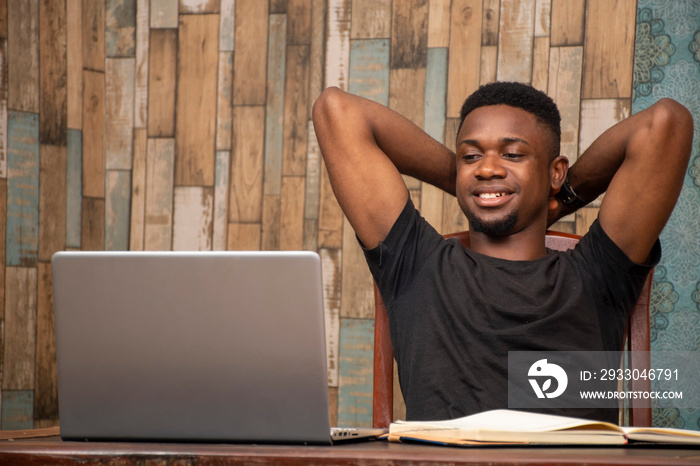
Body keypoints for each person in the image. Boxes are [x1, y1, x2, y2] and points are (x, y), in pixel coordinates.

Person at [312, 82, 693, 423]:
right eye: (472, 156)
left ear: (555, 171)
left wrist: (558, 195)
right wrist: (475, 184)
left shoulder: (596, 275)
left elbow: (665, 124)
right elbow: (338, 111)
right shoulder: (416, 264)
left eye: (512, 155)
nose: (489, 167)